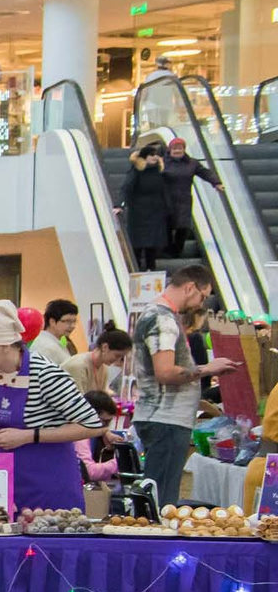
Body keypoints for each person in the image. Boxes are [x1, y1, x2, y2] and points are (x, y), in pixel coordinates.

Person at [0, 298, 105, 512]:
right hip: (6, 479)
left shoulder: (45, 375)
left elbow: (93, 425)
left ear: (3, 345)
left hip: (50, 481)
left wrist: (31, 435)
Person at [132, 265, 236, 506]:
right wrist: (207, 368)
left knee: (158, 491)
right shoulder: (162, 318)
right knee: (161, 499)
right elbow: (165, 372)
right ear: (190, 287)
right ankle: (153, 542)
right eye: (203, 295)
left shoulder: (157, 315)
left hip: (162, 419)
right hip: (166, 420)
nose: (201, 303)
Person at [164, 136, 226, 261]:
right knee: (167, 226)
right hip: (166, 199)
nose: (177, 151)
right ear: (170, 150)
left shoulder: (192, 163)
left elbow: (206, 173)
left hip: (184, 199)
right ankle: (168, 250)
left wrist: (216, 182)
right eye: (175, 149)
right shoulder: (162, 162)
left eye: (180, 149)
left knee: (183, 226)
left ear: (184, 149)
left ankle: (177, 251)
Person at [125, 138, 177, 271]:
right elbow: (127, 188)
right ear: (145, 157)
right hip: (139, 213)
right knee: (138, 245)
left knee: (152, 245)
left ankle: (150, 269)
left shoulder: (158, 172)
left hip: (156, 212)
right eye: (152, 155)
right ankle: (136, 269)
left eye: (156, 155)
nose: (155, 157)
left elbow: (164, 191)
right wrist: (120, 205)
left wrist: (168, 208)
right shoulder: (136, 171)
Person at [73, 324, 135, 399]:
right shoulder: (78, 366)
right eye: (117, 356)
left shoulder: (103, 368)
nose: (118, 360)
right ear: (105, 347)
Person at [31, 298, 80, 372]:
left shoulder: (53, 342)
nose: (72, 326)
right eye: (67, 321)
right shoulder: (48, 346)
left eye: (74, 321)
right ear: (52, 321)